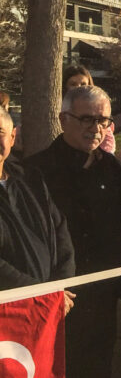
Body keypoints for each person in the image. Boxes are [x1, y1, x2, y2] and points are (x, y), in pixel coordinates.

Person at [28, 84, 121, 378]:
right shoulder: (36, 170)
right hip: (56, 302)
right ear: (63, 119)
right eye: (87, 119)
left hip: (101, 300)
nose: (97, 128)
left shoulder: (112, 168)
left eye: (104, 119)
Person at [0, 106, 76, 293]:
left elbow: (59, 230)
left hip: (48, 305)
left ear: (12, 137)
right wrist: (40, 292)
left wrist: (61, 285)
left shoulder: (30, 178)